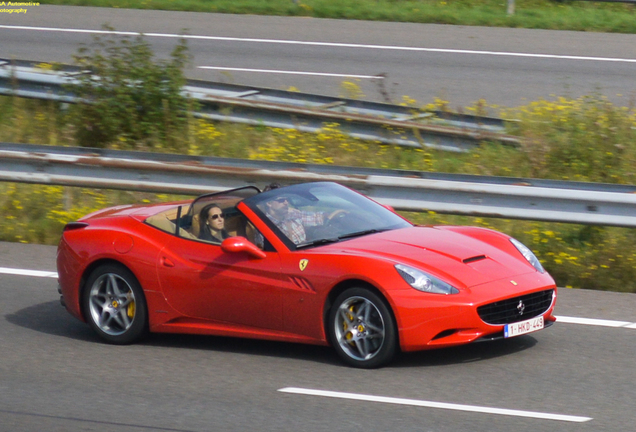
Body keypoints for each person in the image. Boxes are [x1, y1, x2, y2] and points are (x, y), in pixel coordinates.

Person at [261, 184, 347, 245]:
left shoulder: (292, 214)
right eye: (281, 200)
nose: (286, 203)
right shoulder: (264, 226)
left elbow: (315, 217)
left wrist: (334, 214)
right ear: (269, 203)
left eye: (286, 199)